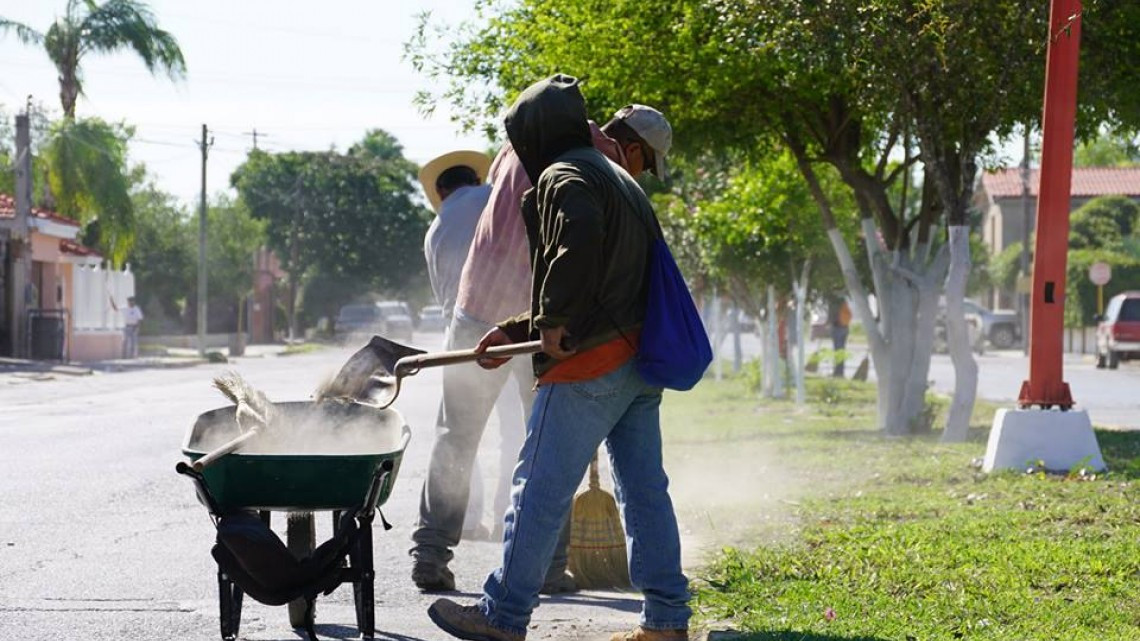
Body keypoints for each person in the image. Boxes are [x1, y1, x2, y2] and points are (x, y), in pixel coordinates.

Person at [427, 73, 690, 641]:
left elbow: (577, 241)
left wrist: (551, 323)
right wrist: (516, 329)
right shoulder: (620, 179)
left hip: (591, 365)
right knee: (645, 491)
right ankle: (667, 619)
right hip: (637, 365)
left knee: (537, 486)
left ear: (532, 131)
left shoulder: (565, 174)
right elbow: (600, 274)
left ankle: (502, 615)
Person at [418, 150, 520, 542]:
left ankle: (459, 524)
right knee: (518, 429)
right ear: (475, 181)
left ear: (442, 191)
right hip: (513, 330)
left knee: (458, 435)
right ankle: (506, 517)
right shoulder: (496, 198)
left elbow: (444, 297)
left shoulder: (435, 228)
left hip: (462, 335)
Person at [830, 296, 852, 377]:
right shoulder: (844, 303)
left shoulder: (833, 303)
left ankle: (838, 372)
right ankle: (840, 371)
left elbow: (832, 318)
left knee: (838, 351)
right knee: (841, 350)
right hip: (844, 328)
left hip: (838, 329)